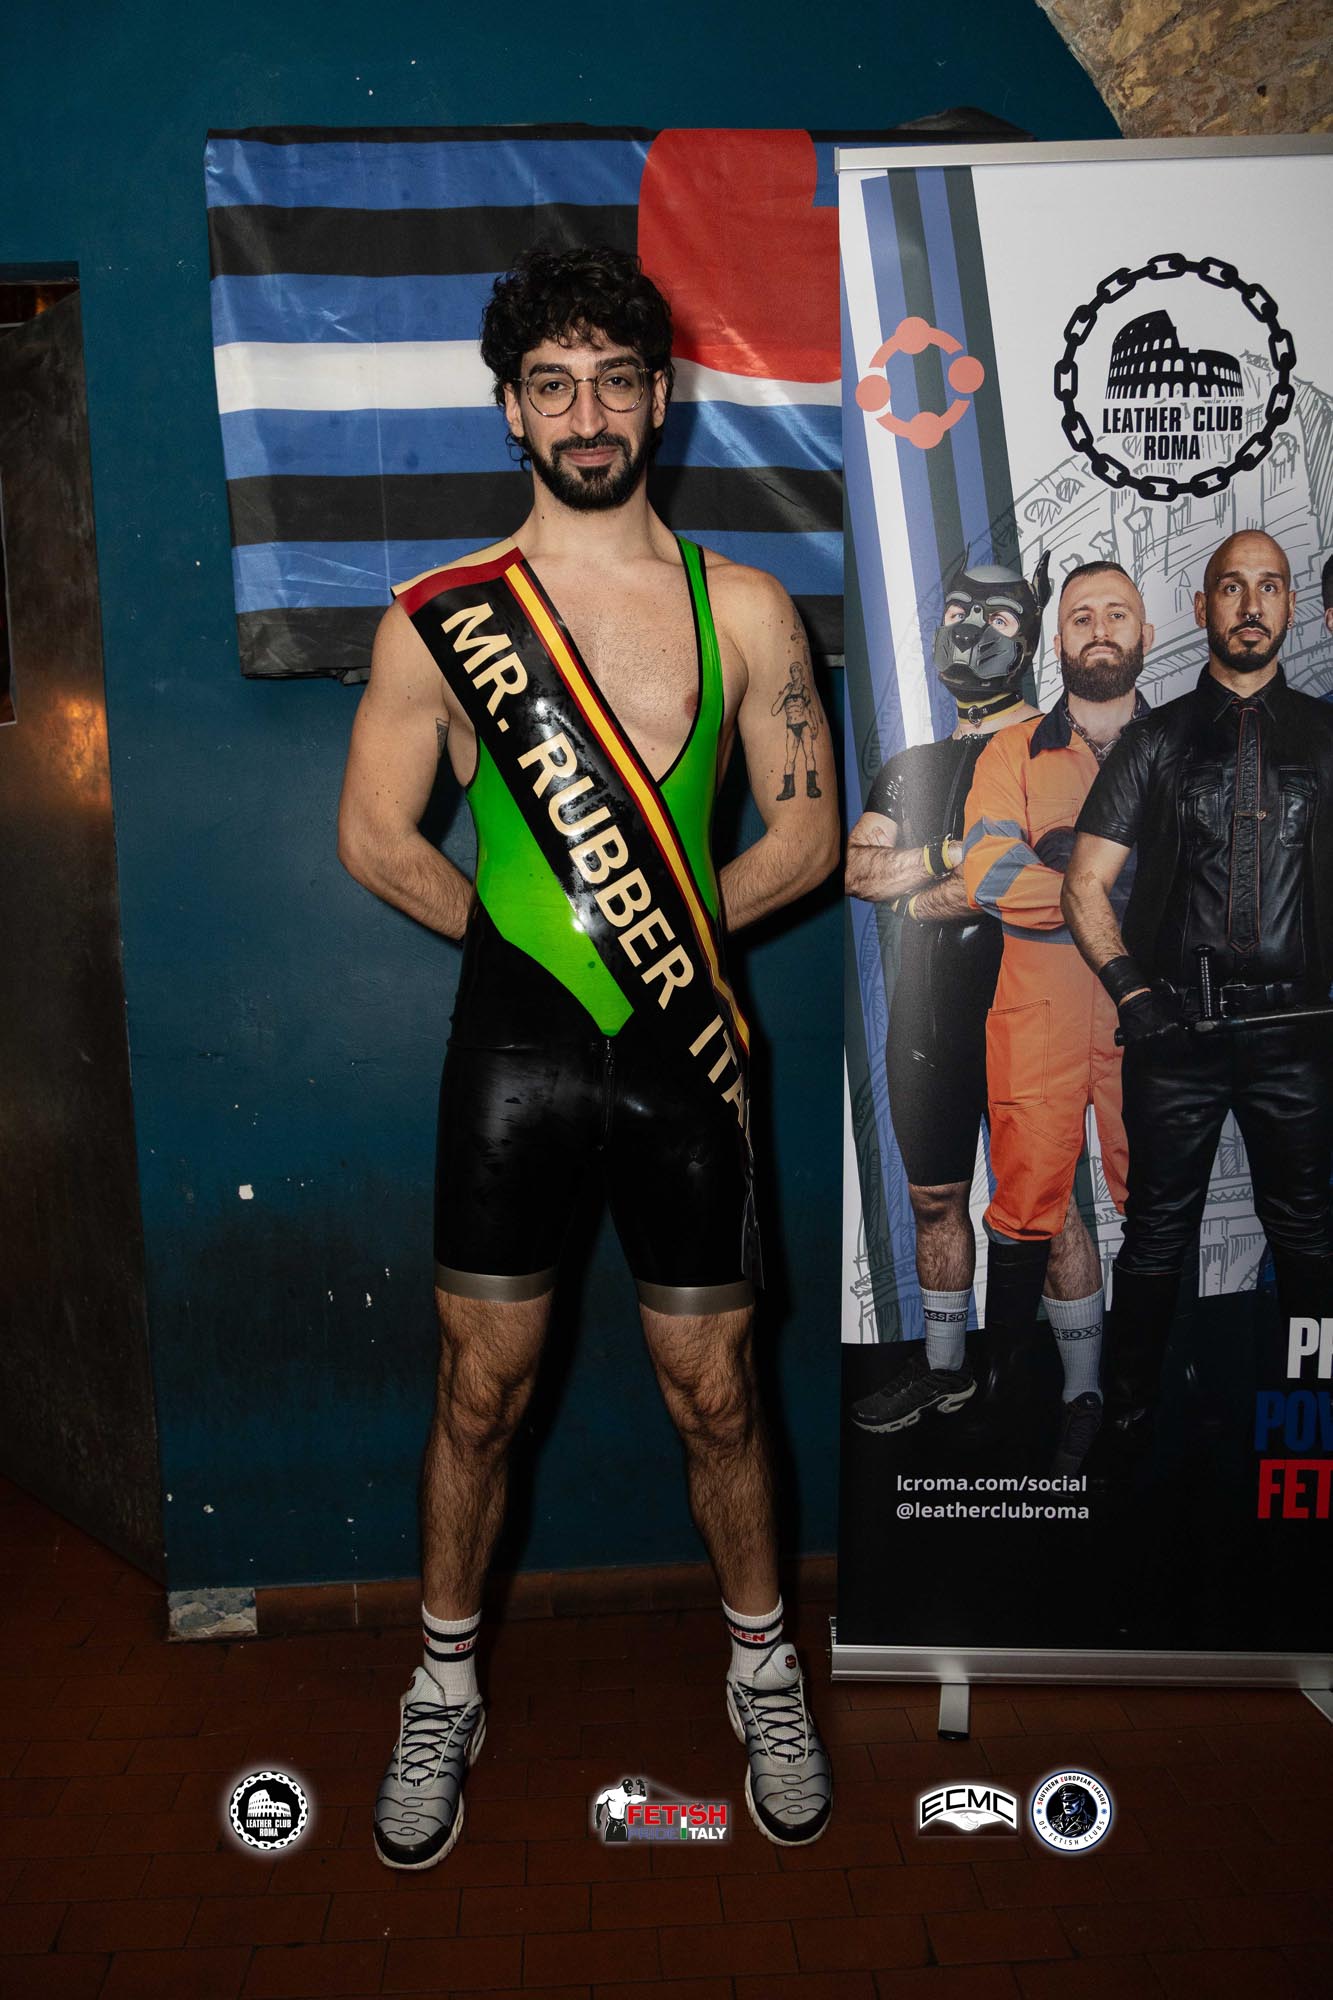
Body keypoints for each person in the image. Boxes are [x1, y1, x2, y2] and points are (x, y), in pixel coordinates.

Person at [337, 244, 838, 1869]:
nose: (586, 413)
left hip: (687, 1054)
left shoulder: (744, 609)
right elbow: (375, 835)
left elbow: (806, 839)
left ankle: (764, 1674)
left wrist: (666, 944)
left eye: (615, 380)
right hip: (515, 1055)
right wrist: (516, 952)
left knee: (717, 1390)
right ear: (511, 410)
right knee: (478, 1392)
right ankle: (441, 1689)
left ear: (659, 397)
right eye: (551, 386)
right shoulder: (443, 619)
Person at [1064, 529, 1333, 1458]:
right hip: (1173, 1036)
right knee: (1153, 1238)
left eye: (1269, 587)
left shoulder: (1326, 739)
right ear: (1201, 606)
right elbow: (1083, 885)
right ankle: (1128, 1422)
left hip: (1297, 1038)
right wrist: (1133, 998)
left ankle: (1310, 1418)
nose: (1250, 606)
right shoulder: (1153, 739)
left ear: (1290, 606)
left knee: (1308, 1239)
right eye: (1231, 587)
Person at [959, 562, 1157, 1475]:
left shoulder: (1179, 744)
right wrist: (1115, 885)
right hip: (1035, 1012)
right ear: (1059, 639)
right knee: (1022, 1208)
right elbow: (989, 877)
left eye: (1116, 613)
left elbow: (1193, 882)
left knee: (1153, 1202)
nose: (1099, 628)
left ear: (1144, 632)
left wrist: (1065, 865)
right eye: (1081, 616)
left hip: (1145, 1012)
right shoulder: (1010, 753)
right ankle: (1016, 1397)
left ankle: (1141, 1401)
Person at [845, 559, 1044, 1432]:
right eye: (958, 608)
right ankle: (943, 1372)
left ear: (1028, 640)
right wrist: (944, 855)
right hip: (922, 1023)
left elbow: (1020, 880)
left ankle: (1068, 1388)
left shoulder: (1053, 748)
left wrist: (921, 889)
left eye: (996, 617)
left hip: (1024, 1016)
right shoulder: (912, 766)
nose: (970, 628)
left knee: (1043, 1208)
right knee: (935, 1200)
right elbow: (855, 870)